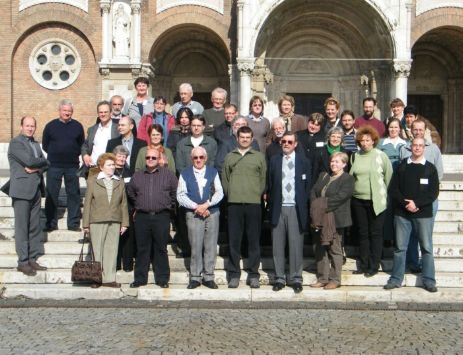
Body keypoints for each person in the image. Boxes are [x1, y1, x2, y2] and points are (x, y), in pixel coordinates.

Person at [384, 137, 439, 293]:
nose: (417, 148)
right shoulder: (402, 166)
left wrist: (417, 204)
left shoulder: (430, 168)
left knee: (426, 248)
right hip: (402, 214)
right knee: (400, 248)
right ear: (410, 148)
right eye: (415, 145)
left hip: (424, 215)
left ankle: (429, 280)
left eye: (420, 146)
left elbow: (433, 193)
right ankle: (396, 279)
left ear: (424, 148)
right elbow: (393, 189)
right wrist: (405, 203)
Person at [222, 126, 266, 288]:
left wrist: (255, 194)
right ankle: (233, 274)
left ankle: (253, 274)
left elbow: (263, 180)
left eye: (248, 137)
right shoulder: (229, 157)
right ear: (237, 138)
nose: (245, 140)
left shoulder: (259, 157)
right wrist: (232, 193)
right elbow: (225, 180)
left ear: (252, 138)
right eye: (242, 137)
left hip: (253, 204)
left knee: (254, 241)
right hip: (234, 204)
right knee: (234, 241)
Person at [127, 149, 178, 288]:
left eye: (153, 157)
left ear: (159, 159)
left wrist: (167, 205)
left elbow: (175, 193)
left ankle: (162, 279)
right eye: (148, 157)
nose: (150, 159)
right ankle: (140, 278)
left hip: (161, 216)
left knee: (161, 248)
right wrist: (140, 203)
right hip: (142, 217)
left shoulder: (168, 175)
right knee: (142, 248)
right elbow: (131, 192)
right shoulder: (137, 176)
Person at [267, 132, 311, 293]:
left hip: (295, 208)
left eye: (289, 142)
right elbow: (270, 184)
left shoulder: (303, 161)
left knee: (295, 245)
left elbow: (307, 186)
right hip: (278, 207)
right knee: (277, 246)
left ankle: (295, 278)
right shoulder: (274, 160)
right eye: (283, 141)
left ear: (295, 144)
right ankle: (279, 278)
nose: (286, 144)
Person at [400, 118, 443, 273]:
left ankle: (426, 267)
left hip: (427, 200)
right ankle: (412, 262)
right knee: (410, 233)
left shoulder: (434, 149)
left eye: (420, 129)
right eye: (415, 129)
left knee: (425, 235)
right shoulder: (404, 148)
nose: (417, 131)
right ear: (411, 130)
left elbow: (439, 174)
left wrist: (424, 197)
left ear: (425, 131)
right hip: (409, 200)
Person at [7, 116, 49, 276]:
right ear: (21, 126)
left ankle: (32, 259)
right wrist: (38, 164)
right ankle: (23, 262)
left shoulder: (35, 144)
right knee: (22, 227)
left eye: (33, 126)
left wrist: (37, 168)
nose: (30, 128)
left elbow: (46, 163)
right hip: (21, 191)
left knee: (34, 227)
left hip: (36, 190)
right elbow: (30, 161)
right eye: (27, 126)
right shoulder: (16, 143)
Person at [177, 147, 224, 289]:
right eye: (195, 158)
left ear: (206, 158)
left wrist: (207, 205)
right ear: (192, 159)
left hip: (212, 213)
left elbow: (219, 192)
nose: (198, 160)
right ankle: (195, 277)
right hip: (193, 213)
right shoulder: (185, 174)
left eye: (201, 157)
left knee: (210, 246)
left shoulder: (213, 172)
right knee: (196, 245)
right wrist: (197, 207)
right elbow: (180, 195)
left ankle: (209, 276)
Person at [350, 126, 392, 276]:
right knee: (362, 233)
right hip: (358, 200)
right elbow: (352, 176)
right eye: (362, 140)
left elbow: (388, 177)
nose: (365, 143)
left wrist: (383, 194)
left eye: (368, 140)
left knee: (375, 233)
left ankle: (374, 266)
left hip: (377, 201)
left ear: (374, 141)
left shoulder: (381, 155)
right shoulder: (354, 156)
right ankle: (363, 264)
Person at [82, 153, 129, 288]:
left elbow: (123, 203)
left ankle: (109, 278)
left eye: (113, 165)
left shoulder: (119, 181)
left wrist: (124, 222)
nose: (112, 167)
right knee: (97, 250)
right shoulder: (93, 181)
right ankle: (97, 278)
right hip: (96, 220)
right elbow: (88, 204)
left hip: (114, 220)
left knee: (111, 249)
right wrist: (85, 224)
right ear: (101, 167)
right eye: (109, 165)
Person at [310, 152, 354, 289]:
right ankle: (323, 277)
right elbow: (313, 191)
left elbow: (341, 197)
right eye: (332, 161)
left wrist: (322, 205)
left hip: (336, 218)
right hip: (319, 217)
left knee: (335, 248)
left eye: (337, 162)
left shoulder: (348, 179)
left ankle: (335, 279)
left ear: (344, 164)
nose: (334, 164)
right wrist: (315, 206)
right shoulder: (324, 175)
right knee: (320, 248)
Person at [43, 99, 84, 232]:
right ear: (59, 111)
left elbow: (81, 144)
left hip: (72, 165)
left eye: (69, 111)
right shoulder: (50, 126)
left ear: (72, 112)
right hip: (54, 165)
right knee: (51, 194)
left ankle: (73, 223)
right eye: (64, 110)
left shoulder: (78, 126)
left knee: (74, 194)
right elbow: (45, 145)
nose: (67, 113)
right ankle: (50, 223)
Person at [377, 118, 407, 243]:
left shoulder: (406, 144)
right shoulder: (381, 143)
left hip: (401, 181)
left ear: (400, 129)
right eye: (391, 127)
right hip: (385, 180)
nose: (393, 129)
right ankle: (387, 238)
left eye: (396, 127)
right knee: (387, 208)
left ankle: (399, 238)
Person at [112, 145, 135, 272]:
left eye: (124, 156)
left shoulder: (130, 172)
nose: (121, 158)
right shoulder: (110, 171)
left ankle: (127, 264)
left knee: (128, 238)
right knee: (114, 238)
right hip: (113, 210)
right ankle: (115, 264)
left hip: (128, 209)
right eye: (119, 156)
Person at [81, 101, 119, 174]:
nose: (103, 114)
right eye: (101, 112)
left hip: (111, 169)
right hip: (93, 169)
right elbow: (85, 145)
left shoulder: (118, 129)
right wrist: (85, 155)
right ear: (98, 114)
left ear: (111, 113)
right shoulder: (92, 129)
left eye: (105, 112)